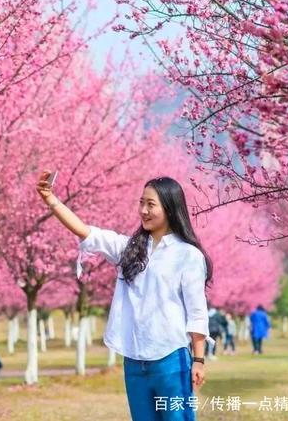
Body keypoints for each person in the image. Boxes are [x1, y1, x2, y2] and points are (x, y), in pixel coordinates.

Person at [37, 173, 211, 420]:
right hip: (134, 361)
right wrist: (50, 199)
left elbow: (197, 313)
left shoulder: (188, 256)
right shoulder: (129, 249)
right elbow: (86, 232)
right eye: (141, 203)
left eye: (151, 204)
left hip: (170, 360)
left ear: (170, 208)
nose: (143, 210)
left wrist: (199, 359)